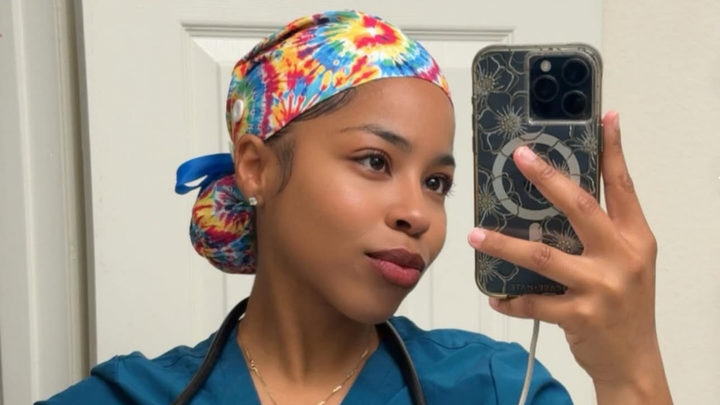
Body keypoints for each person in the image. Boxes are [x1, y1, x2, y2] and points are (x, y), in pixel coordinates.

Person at [36, 9, 673, 405]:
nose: (418, 214)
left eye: (437, 182)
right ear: (256, 167)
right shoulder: (126, 397)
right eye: (375, 161)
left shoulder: (499, 388)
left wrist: (631, 372)